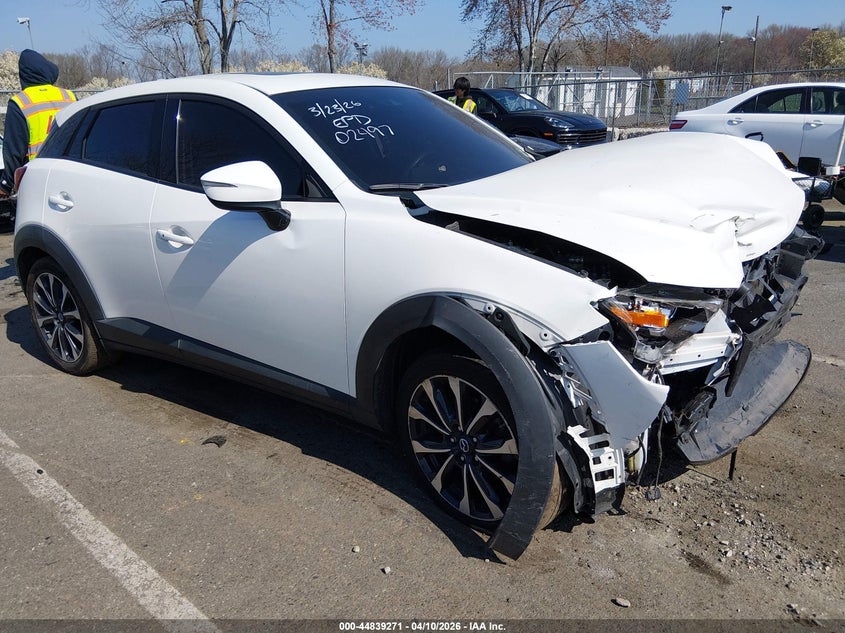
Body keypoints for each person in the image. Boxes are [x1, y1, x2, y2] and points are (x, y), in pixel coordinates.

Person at [0, 49, 76, 196]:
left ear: (23, 76)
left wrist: (5, 185)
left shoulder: (20, 102)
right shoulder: (69, 96)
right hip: (71, 175)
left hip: (37, 180)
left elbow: (14, 151)